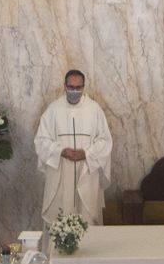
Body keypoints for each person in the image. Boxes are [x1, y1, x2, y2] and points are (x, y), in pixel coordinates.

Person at [34, 69, 114, 225]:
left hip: (86, 171)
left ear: (84, 87)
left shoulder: (94, 109)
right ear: (64, 86)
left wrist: (88, 153)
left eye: (78, 88)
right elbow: (41, 141)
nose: (74, 91)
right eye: (71, 87)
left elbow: (105, 141)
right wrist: (60, 151)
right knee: (59, 218)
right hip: (61, 174)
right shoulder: (53, 110)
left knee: (86, 218)